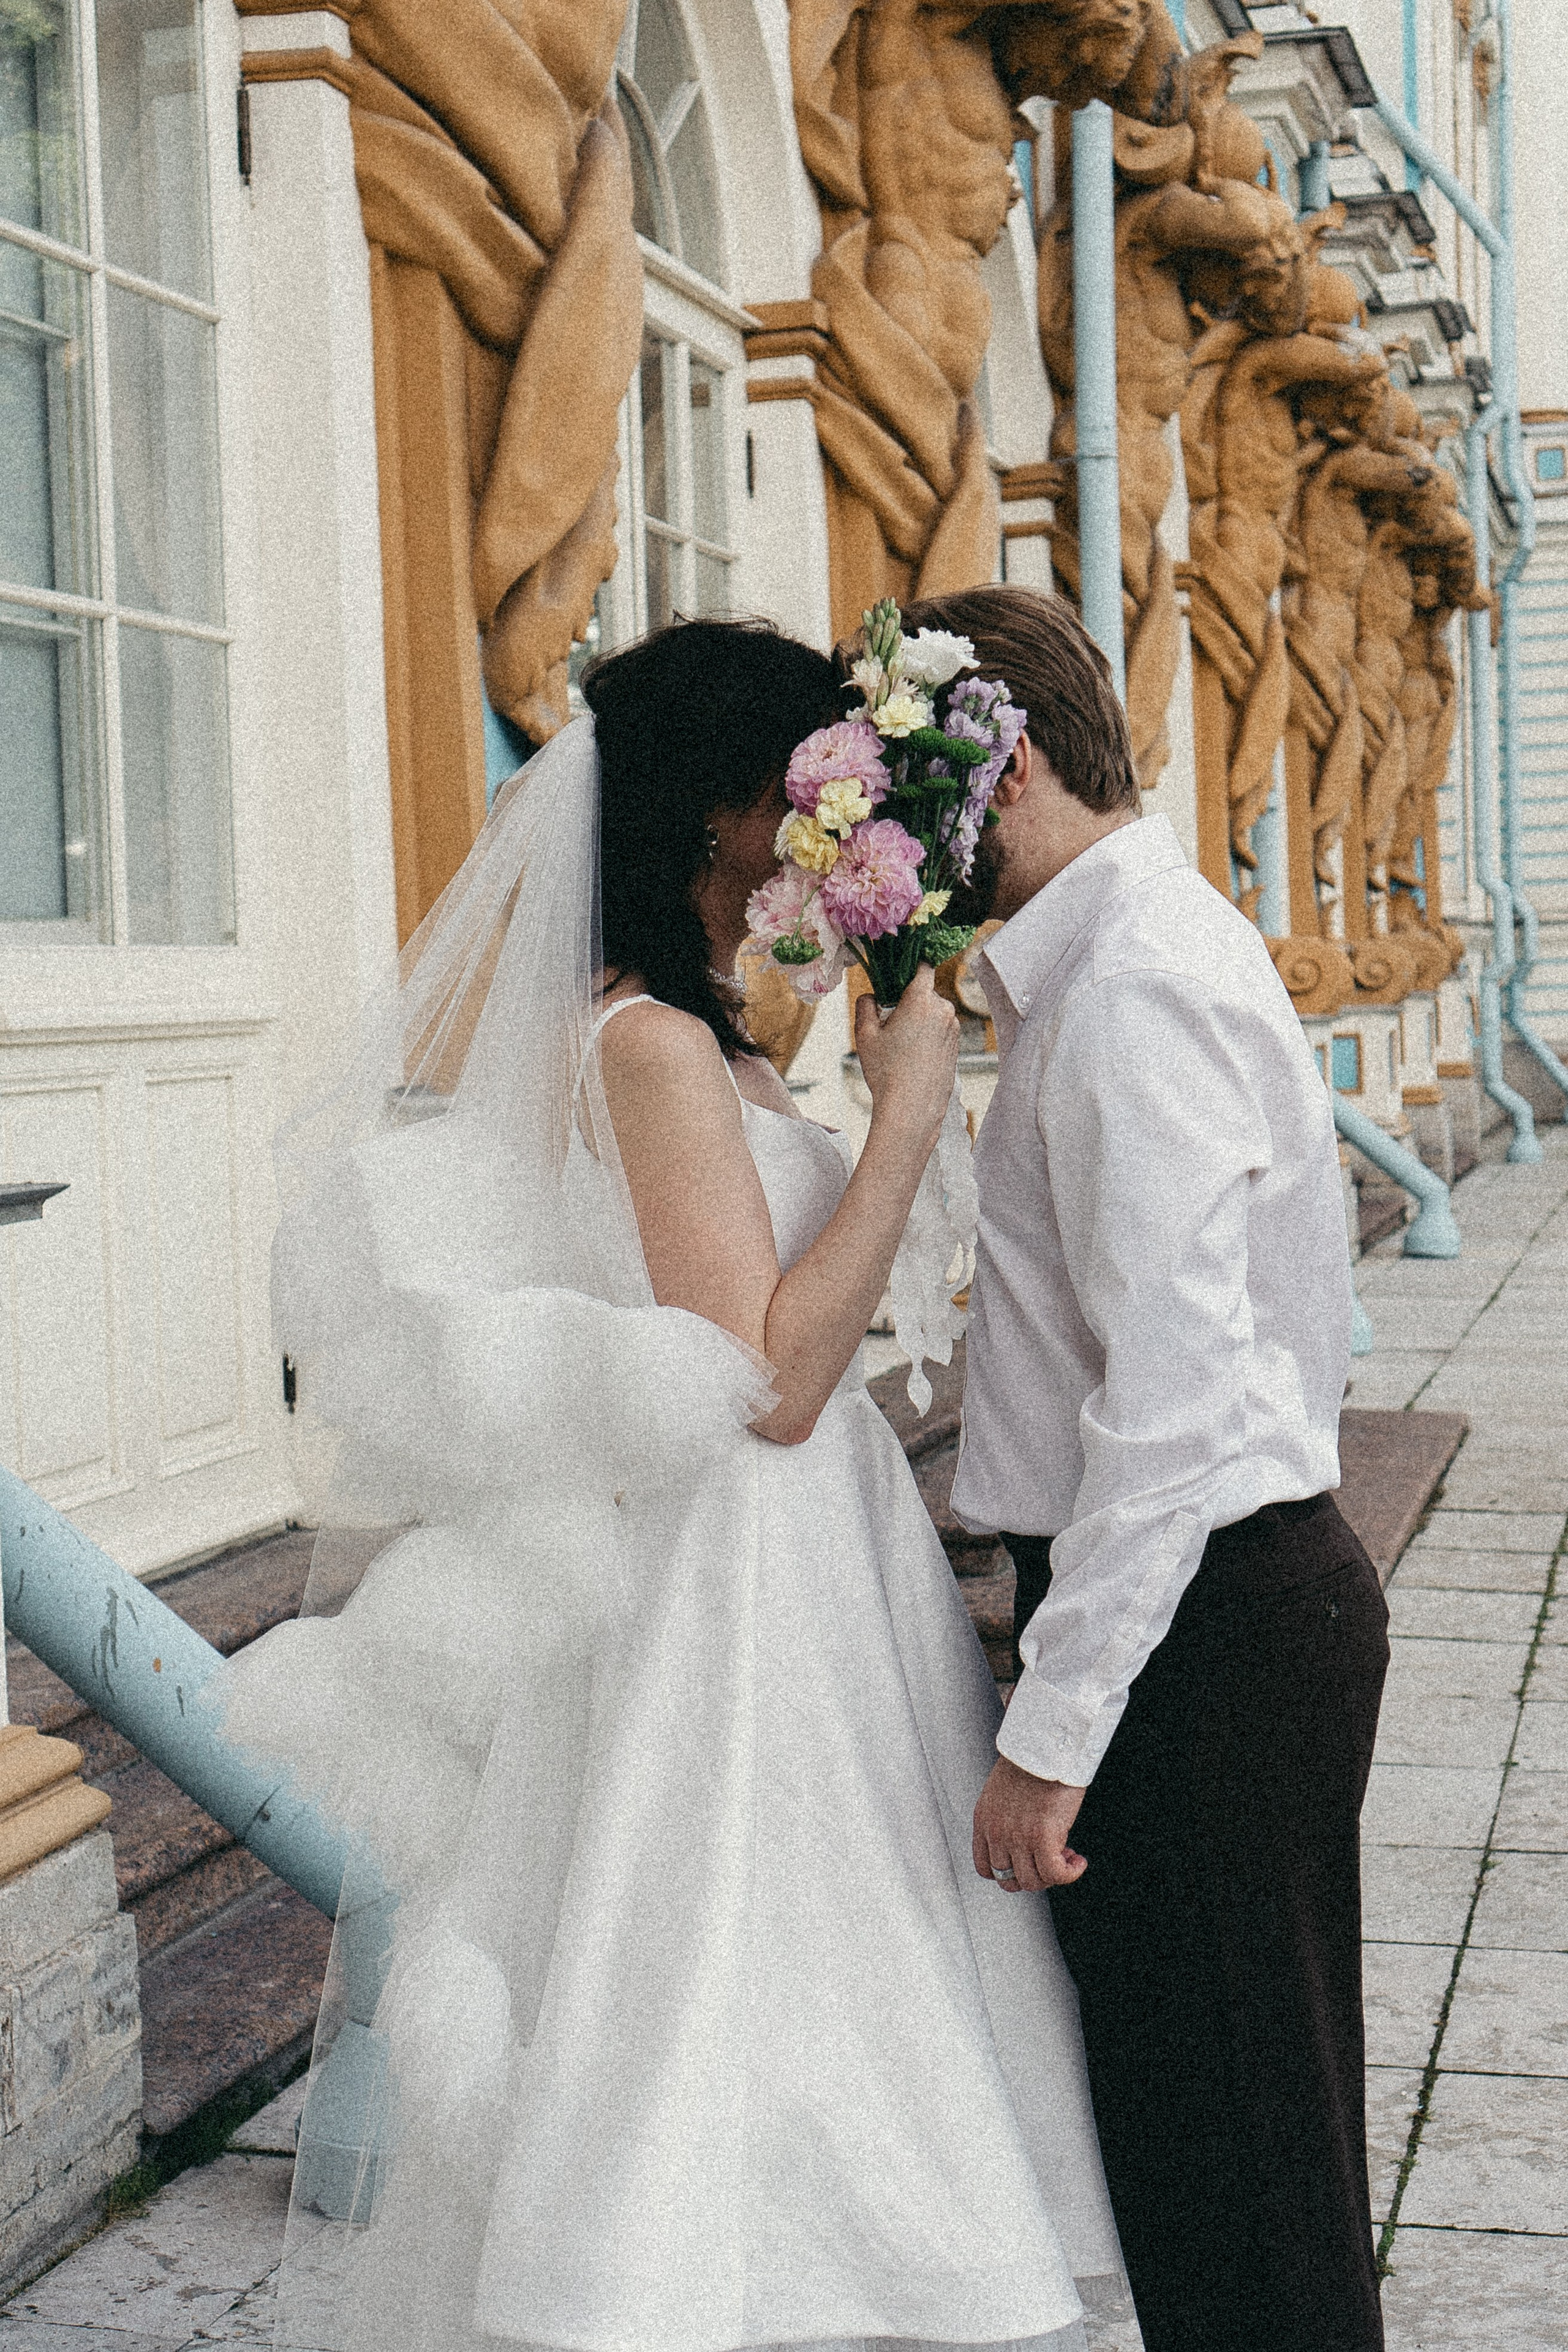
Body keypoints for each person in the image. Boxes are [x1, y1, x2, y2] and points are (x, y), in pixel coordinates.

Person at [209, 616, 1126, 2352]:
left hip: (809, 1566)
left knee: (830, 1957)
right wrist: (911, 1111)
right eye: (805, 785)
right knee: (726, 1938)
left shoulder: (710, 1035)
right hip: (738, 1576)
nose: (827, 823)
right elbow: (764, 1383)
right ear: (716, 813)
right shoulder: (642, 1043)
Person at [899, 582, 1390, 2352]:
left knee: (1244, 2189)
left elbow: (1171, 1414)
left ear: (1005, 765)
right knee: (1221, 2175)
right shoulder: (1127, 959)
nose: (901, 852)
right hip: (1213, 1613)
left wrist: (1054, 1731)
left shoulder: (1129, 995)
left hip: (1208, 1628)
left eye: (911, 801)